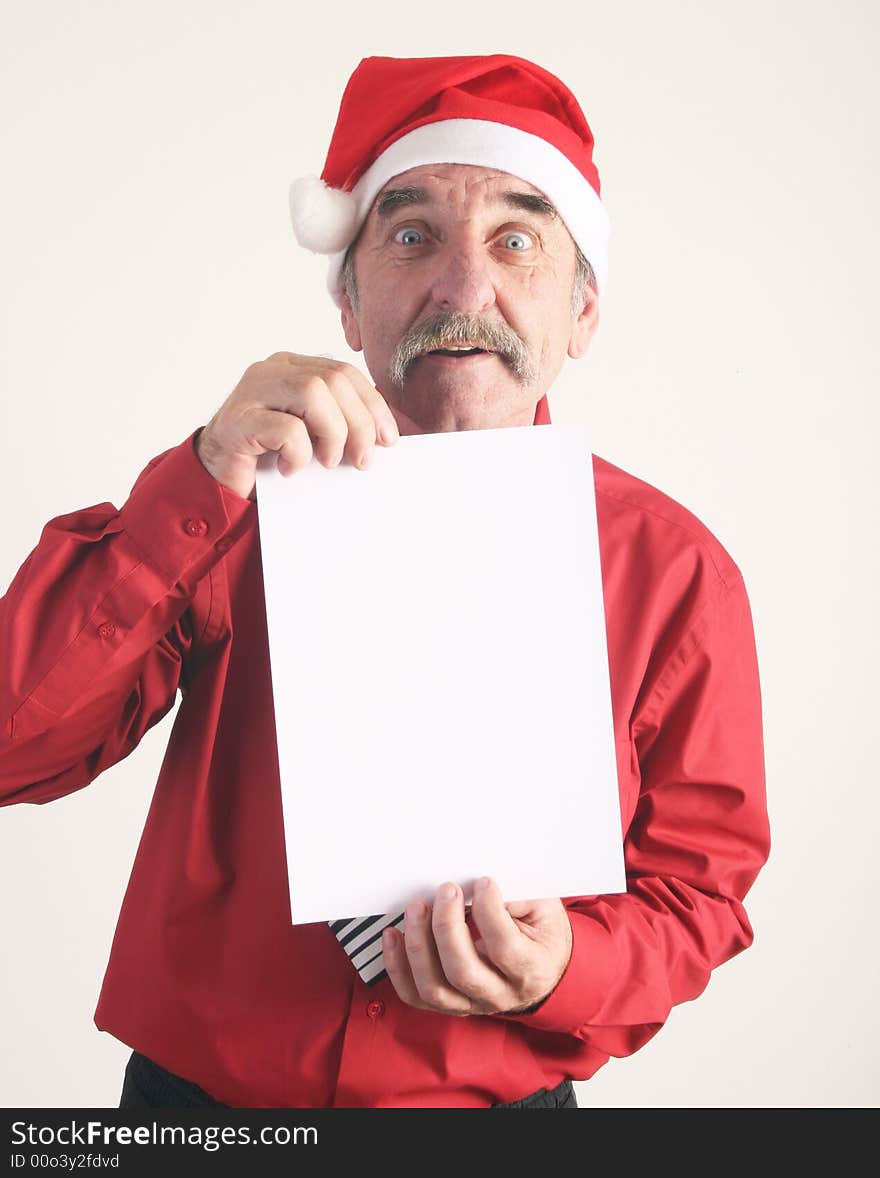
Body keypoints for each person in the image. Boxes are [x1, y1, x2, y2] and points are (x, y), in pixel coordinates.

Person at [0, 53, 770, 1109]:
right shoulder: (225, 507)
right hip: (195, 1116)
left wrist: (565, 968)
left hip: (493, 1121)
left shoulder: (676, 572)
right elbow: (13, 741)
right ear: (350, 306)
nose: (463, 287)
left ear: (582, 314)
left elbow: (700, 890)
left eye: (516, 240)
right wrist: (201, 483)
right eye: (412, 237)